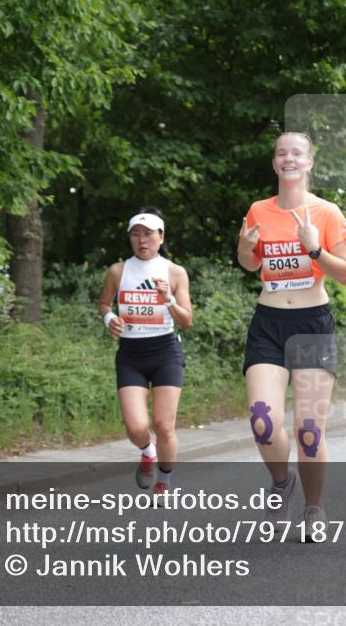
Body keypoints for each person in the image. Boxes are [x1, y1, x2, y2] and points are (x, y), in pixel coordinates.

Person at [237, 132, 346, 538]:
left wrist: (315, 249)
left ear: (309, 163)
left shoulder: (327, 212)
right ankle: (282, 482)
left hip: (312, 325)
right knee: (262, 422)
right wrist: (245, 247)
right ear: (274, 163)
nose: (289, 159)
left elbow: (345, 273)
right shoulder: (258, 210)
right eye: (281, 153)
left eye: (297, 153)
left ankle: (314, 508)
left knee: (309, 430)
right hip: (268, 324)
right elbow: (250, 264)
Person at [98, 209, 193, 496]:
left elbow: (187, 320)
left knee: (164, 426)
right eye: (136, 234)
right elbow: (104, 304)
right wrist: (109, 319)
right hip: (131, 355)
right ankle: (148, 451)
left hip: (166, 353)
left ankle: (164, 481)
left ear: (161, 237)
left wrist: (168, 299)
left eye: (148, 234)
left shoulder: (175, 272)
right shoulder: (118, 271)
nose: (142, 240)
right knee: (136, 427)